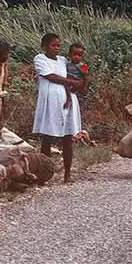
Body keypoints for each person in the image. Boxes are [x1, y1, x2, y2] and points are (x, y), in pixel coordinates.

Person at [33, 33, 84, 183]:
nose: (56, 48)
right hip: (50, 102)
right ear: (45, 46)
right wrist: (70, 81)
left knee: (67, 137)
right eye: (53, 45)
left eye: (58, 46)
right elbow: (51, 77)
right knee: (47, 138)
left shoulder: (63, 61)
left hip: (67, 102)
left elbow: (77, 72)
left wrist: (77, 84)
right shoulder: (40, 59)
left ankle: (67, 174)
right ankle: (44, 175)